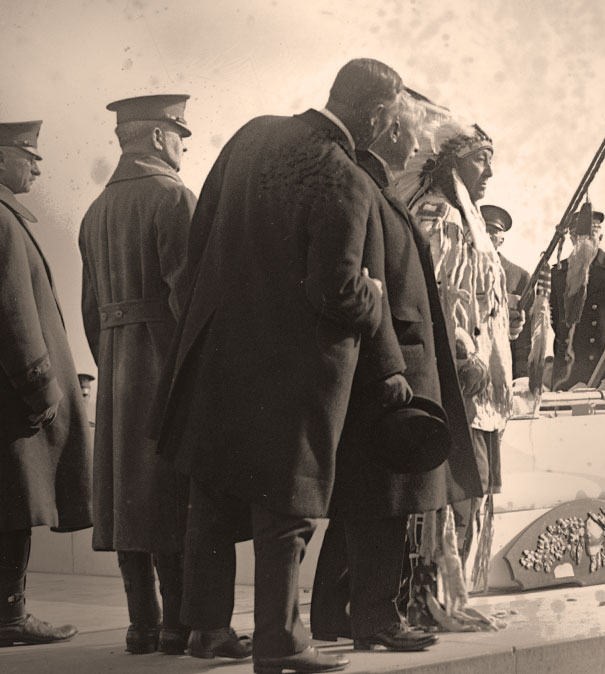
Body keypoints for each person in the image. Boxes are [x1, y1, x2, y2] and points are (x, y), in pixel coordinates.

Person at [155, 58, 407, 674]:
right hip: (292, 373)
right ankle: (281, 639)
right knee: (286, 508)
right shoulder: (344, 177)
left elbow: (200, 241)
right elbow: (336, 291)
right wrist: (374, 297)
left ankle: (208, 630)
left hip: (217, 354)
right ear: (374, 115)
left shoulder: (251, 135)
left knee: (212, 491)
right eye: (391, 119)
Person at [309, 88, 473, 652]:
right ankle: (378, 619)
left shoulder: (375, 185)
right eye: (412, 131)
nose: (419, 143)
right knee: (387, 501)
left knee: (362, 499)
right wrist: (390, 369)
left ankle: (334, 614)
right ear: (391, 132)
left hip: (388, 366)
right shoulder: (367, 186)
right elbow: (368, 287)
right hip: (394, 369)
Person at [78, 94, 195, 656]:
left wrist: (117, 361)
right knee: (170, 492)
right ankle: (177, 627)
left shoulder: (95, 211)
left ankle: (140, 626)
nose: (183, 145)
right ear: (155, 137)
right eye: (179, 134)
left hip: (118, 371)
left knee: (128, 496)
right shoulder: (172, 197)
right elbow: (189, 299)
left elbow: (88, 311)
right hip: (165, 364)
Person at [408, 119, 521, 626]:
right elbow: (436, 295)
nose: (490, 172)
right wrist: (461, 351)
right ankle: (432, 596)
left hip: (482, 390)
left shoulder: (467, 219)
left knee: (471, 494)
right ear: (451, 162)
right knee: (455, 494)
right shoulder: (442, 217)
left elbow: (475, 300)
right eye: (480, 159)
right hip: (458, 384)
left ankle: (445, 595)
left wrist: (504, 319)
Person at [0, 120, 91, 647]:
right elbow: (13, 314)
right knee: (14, 506)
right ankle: (9, 617)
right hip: (14, 400)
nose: (37, 165)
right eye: (27, 155)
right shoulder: (4, 220)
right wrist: (41, 387)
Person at [550, 207, 605, 390]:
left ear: (601, 237)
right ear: (572, 239)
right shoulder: (557, 273)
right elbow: (556, 320)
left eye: (593, 232)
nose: (587, 239)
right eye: (580, 234)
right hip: (569, 369)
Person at [481, 205, 538, 380]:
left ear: (501, 240)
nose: (487, 236)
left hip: (504, 367)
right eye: (483, 230)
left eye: (493, 232)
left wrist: (521, 377)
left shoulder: (519, 277)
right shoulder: (461, 269)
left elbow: (525, 337)